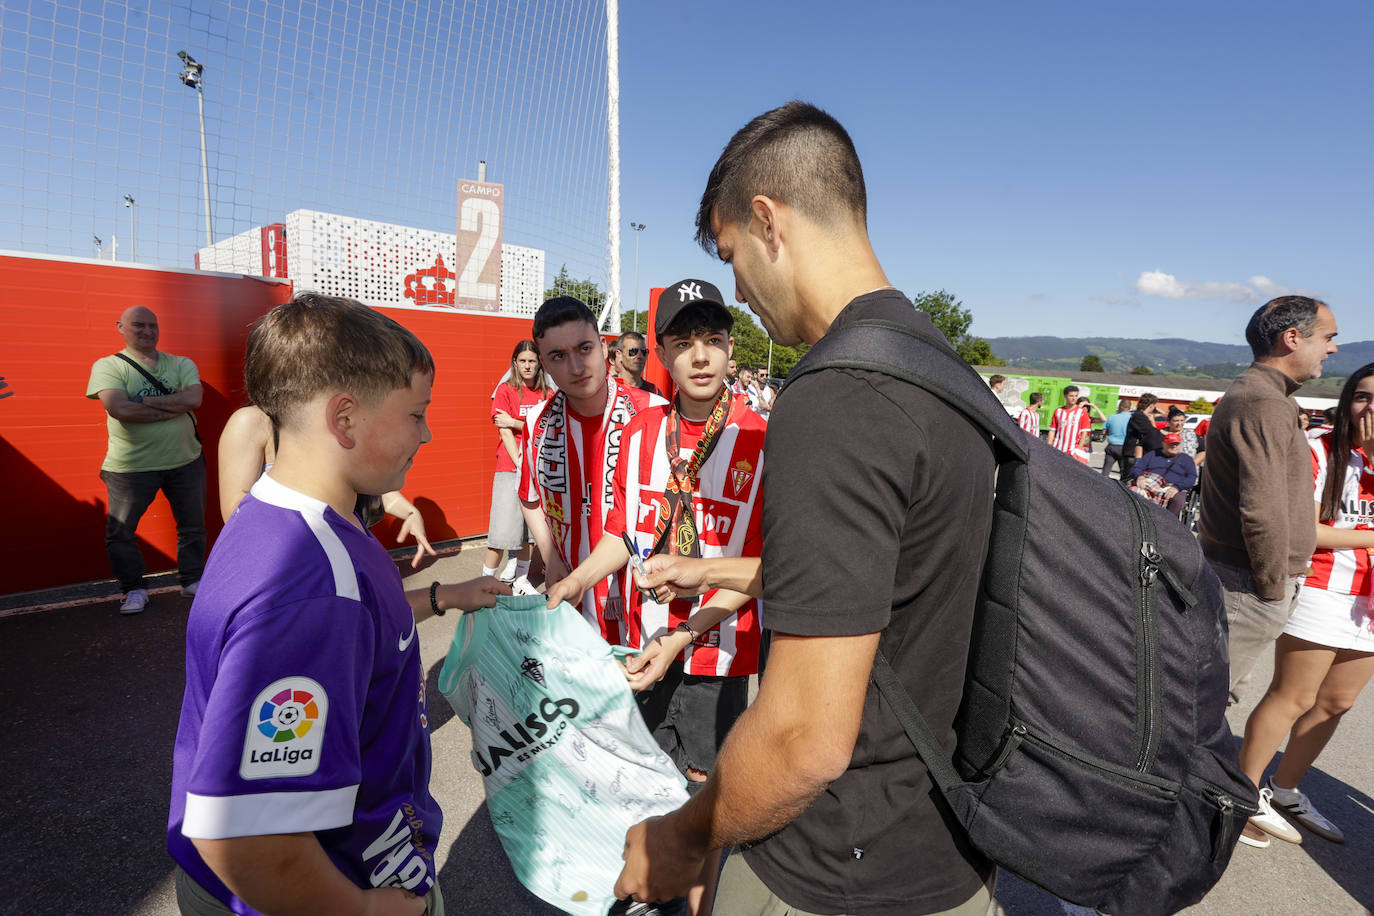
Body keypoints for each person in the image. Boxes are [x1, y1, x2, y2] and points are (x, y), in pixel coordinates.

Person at [612, 101, 996, 916]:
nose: (740, 291)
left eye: (731, 256)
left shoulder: (836, 398)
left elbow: (804, 739)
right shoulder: (939, 370)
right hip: (946, 844)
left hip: (836, 866)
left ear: (767, 220)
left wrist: (678, 840)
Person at [168, 293, 507, 916]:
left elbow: (364, 633)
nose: (427, 433)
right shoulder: (314, 586)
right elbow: (244, 836)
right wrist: (368, 910)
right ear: (344, 419)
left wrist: (447, 596)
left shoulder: (281, 519)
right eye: (416, 413)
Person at [548, 279, 766, 915]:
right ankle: (653, 894)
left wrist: (686, 625)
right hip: (640, 644)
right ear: (662, 354)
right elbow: (622, 531)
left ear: (730, 352)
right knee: (643, 779)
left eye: (715, 341)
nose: (701, 356)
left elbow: (766, 573)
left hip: (716, 656)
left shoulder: (761, 438)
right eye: (684, 342)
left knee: (705, 804)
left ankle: (698, 904)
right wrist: (576, 581)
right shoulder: (642, 430)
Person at [1236, 364, 1374, 849]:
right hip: (1322, 587)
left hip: (1369, 600)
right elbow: (1307, 529)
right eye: (1361, 397)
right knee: (1293, 696)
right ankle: (1242, 793)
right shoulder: (1318, 448)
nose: (1370, 409)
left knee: (1338, 702)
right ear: (1346, 399)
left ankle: (1287, 788)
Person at [1199, 295, 1339, 706]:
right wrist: (1273, 589)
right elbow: (1262, 509)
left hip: (1249, 583)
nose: (1333, 348)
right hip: (1249, 585)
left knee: (1205, 707)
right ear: (1292, 338)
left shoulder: (1270, 397)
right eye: (1328, 337)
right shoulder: (1263, 401)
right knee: (1197, 711)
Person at [519, 296, 666, 641]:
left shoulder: (655, 413)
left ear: (603, 348)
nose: (575, 367)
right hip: (574, 605)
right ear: (544, 363)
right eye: (558, 356)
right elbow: (529, 497)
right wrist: (551, 556)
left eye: (584, 349)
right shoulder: (537, 422)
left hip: (645, 608)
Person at [86, 305, 206, 615]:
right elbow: (120, 409)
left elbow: (194, 399)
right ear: (120, 327)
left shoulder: (181, 363)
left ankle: (192, 580)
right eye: (138, 325)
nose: (147, 331)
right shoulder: (108, 366)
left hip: (186, 460)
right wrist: (172, 406)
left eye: (152, 325)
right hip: (130, 468)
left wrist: (141, 402)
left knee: (192, 526)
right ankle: (134, 589)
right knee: (121, 532)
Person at [218, 404, 436, 567]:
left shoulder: (329, 418)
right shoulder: (252, 421)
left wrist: (409, 512)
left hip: (342, 559)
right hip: (287, 569)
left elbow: (359, 481)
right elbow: (236, 514)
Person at [482, 340, 552, 586]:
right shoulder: (505, 390)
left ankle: (521, 583)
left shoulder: (548, 393)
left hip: (538, 471)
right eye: (522, 361)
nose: (527, 366)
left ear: (539, 363)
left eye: (532, 361)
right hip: (510, 468)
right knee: (501, 533)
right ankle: (485, 583)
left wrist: (514, 422)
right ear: (515, 363)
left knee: (527, 537)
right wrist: (521, 461)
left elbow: (548, 428)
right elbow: (504, 432)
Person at [1125, 432, 1198, 515]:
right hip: (1149, 482)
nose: (1174, 446)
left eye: (1177, 444)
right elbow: (1137, 468)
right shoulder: (1152, 454)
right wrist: (1140, 477)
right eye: (1171, 444)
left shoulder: (1186, 459)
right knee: (1131, 491)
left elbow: (1191, 478)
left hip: (1174, 487)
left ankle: (1168, 523)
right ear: (1164, 444)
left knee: (1178, 500)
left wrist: (1177, 488)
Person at [1122, 392, 1164, 475]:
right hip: (1133, 455)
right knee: (1128, 481)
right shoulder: (1139, 417)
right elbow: (1152, 433)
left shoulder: (1140, 416)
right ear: (1151, 405)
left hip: (1134, 454)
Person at [613, 330, 664, 396]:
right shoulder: (608, 388)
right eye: (633, 351)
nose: (639, 356)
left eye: (644, 352)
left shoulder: (654, 392)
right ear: (619, 354)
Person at [1049, 385, 1090, 461]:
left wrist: (1079, 449)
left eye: (1076, 396)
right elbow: (1052, 430)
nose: (1074, 398)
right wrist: (1048, 446)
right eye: (1071, 396)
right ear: (1065, 396)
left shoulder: (1082, 412)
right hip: (1057, 449)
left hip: (1072, 451)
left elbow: (1084, 433)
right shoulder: (1058, 411)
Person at [1101, 398, 1133, 477]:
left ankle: (1101, 485)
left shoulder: (1112, 417)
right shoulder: (1132, 418)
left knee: (1106, 470)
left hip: (1112, 446)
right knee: (1124, 471)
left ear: (1121, 407)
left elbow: (1103, 432)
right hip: (1125, 447)